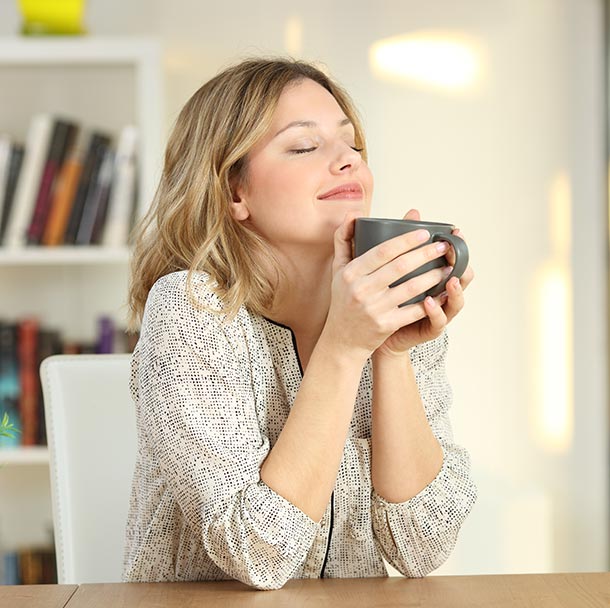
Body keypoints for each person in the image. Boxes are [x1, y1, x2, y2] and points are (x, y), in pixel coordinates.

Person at [123, 57, 477, 590]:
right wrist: (343, 348)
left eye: (352, 144)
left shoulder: (386, 310)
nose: (347, 162)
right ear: (233, 193)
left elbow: (421, 546)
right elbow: (258, 555)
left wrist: (391, 351)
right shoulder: (190, 311)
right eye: (305, 147)